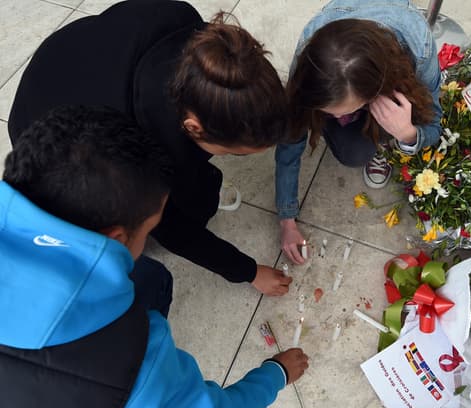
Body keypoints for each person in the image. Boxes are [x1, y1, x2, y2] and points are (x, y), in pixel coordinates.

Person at [0, 105, 309, 408]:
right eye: (149, 229)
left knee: (152, 278)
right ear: (116, 238)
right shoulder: (124, 357)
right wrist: (275, 374)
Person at [8, 0, 292, 296]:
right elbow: (176, 231)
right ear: (193, 126)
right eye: (237, 153)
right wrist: (248, 272)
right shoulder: (136, 158)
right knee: (178, 210)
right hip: (42, 126)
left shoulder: (186, 24)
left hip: (68, 56)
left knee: (198, 188)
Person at [275, 0, 443, 264]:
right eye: (328, 111)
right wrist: (287, 218)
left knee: (367, 144)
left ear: (378, 91)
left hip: (394, 71)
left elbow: (435, 122)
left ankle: (386, 134)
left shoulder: (416, 43)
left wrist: (408, 133)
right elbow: (291, 135)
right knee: (352, 152)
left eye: (345, 110)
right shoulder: (312, 50)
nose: (338, 118)